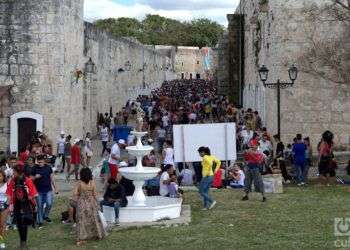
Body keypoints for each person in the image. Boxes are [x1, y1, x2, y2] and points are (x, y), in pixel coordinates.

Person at [7, 165, 37, 250]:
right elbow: (9, 194)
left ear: (17, 172)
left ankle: (23, 243)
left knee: (23, 224)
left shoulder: (25, 180)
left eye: (14, 171)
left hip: (24, 205)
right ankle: (22, 242)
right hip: (20, 205)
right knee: (21, 224)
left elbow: (32, 195)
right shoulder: (14, 181)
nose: (13, 173)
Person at [74, 168, 107, 246]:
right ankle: (97, 234)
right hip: (92, 202)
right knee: (94, 219)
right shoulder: (92, 183)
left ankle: (81, 237)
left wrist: (79, 196)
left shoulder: (79, 183)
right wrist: (98, 204)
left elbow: (75, 193)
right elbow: (95, 194)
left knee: (82, 220)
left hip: (82, 203)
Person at [31, 154, 58, 227]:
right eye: (38, 162)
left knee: (49, 203)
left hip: (48, 189)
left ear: (44, 161)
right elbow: (30, 179)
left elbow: (52, 178)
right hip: (38, 191)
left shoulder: (48, 168)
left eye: (41, 162)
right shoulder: (34, 168)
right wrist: (35, 177)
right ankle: (40, 221)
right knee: (40, 206)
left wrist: (55, 188)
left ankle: (45, 215)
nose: (39, 164)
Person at [0, 170, 8, 249]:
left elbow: (9, 196)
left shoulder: (6, 184)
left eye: (0, 176)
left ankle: (1, 241)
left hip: (4, 206)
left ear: (3, 177)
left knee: (2, 225)